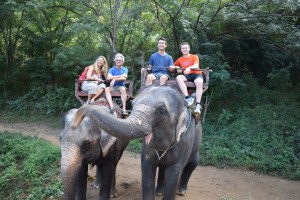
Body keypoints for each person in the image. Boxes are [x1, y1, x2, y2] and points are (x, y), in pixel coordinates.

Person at [170, 42, 203, 114]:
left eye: (186, 48)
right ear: (181, 50)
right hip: (187, 75)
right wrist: (177, 67)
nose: (184, 49)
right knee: (179, 77)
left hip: (196, 74)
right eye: (183, 48)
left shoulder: (194, 56)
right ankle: (188, 97)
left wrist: (189, 68)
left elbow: (196, 65)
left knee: (199, 82)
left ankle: (198, 104)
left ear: (189, 49)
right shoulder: (180, 59)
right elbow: (172, 67)